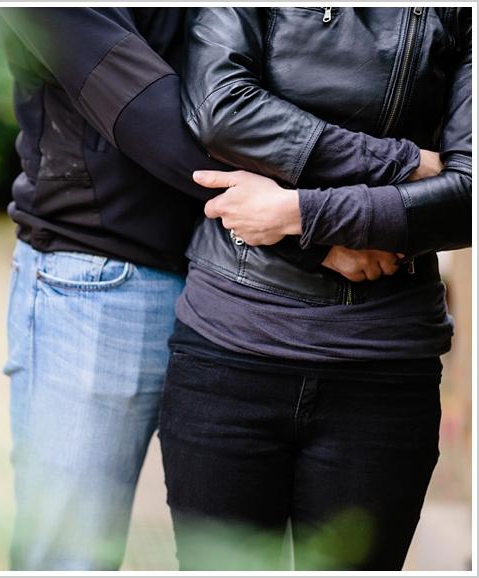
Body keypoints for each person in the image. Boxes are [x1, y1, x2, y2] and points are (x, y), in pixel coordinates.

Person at [0, 7, 439, 570]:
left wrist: (313, 216)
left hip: (241, 286)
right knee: (68, 554)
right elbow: (148, 111)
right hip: (108, 279)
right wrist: (319, 230)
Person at [160, 7, 471, 570]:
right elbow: (219, 111)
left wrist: (300, 213)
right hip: (227, 357)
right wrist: (401, 163)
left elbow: (470, 196)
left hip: (384, 373)